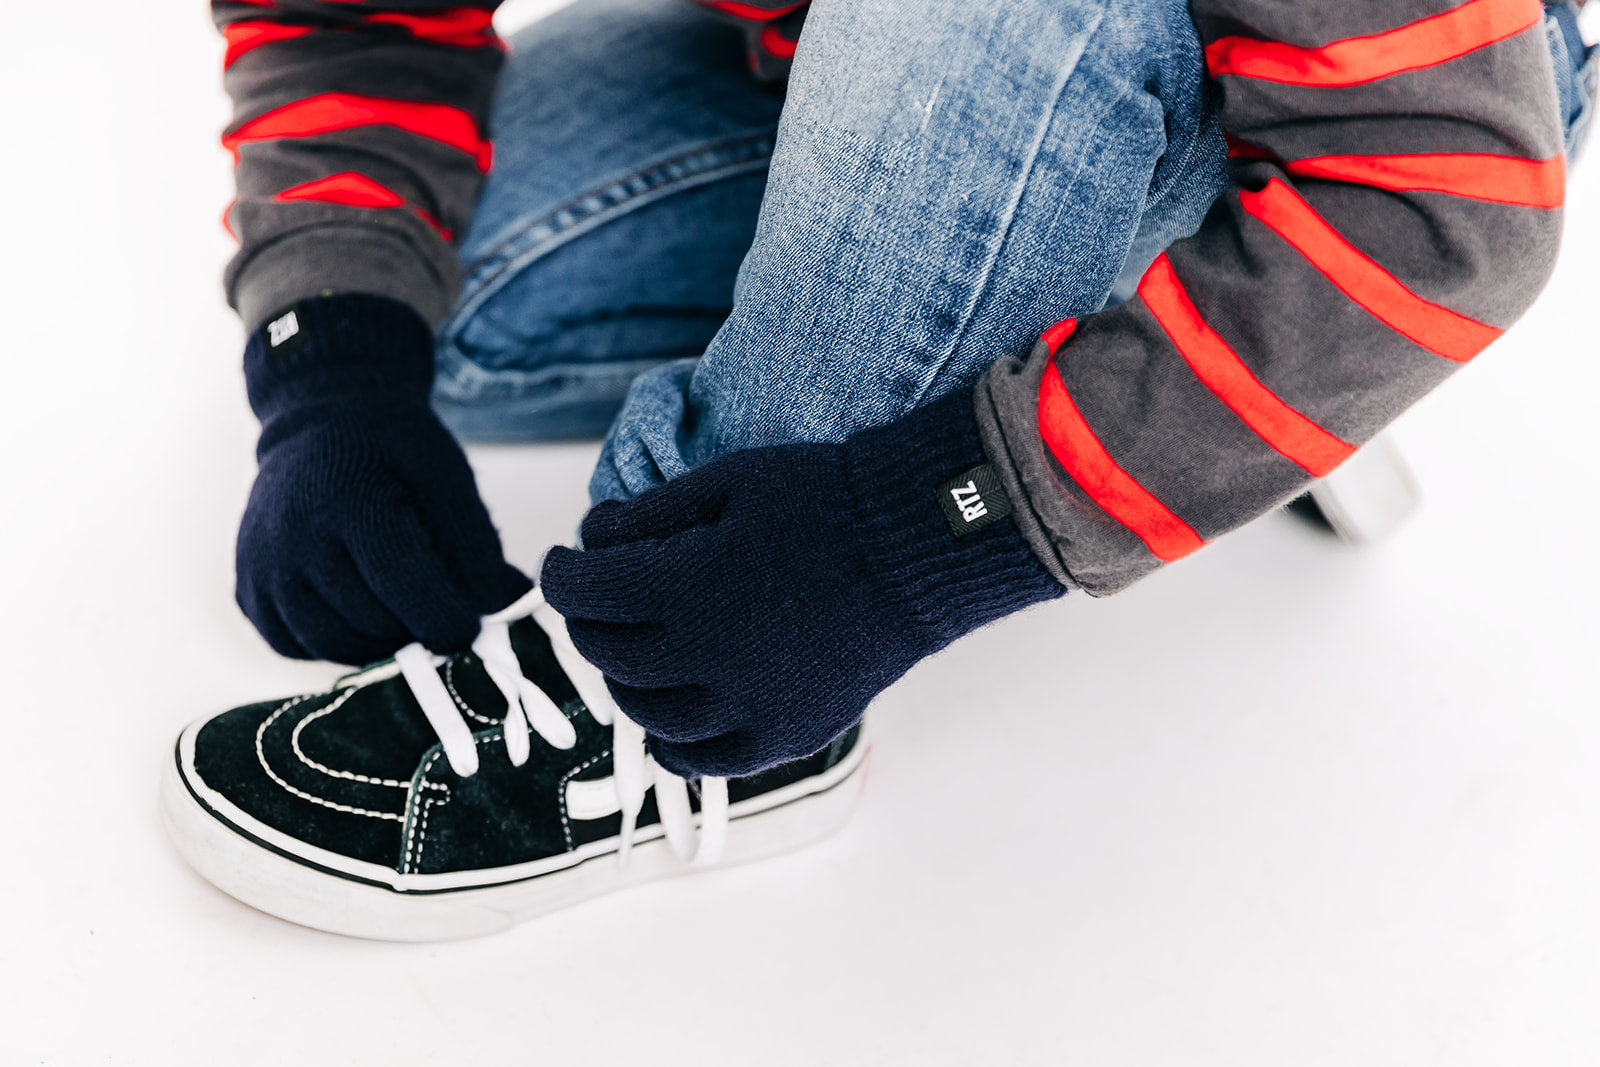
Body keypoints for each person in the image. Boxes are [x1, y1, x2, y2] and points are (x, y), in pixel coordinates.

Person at [160, 0, 1595, 939]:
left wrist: (891, 546)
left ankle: (663, 676)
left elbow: (1445, 197)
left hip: (1363, 111)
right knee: (441, 301)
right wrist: (326, 364)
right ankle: (1145, 311)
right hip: (825, 38)